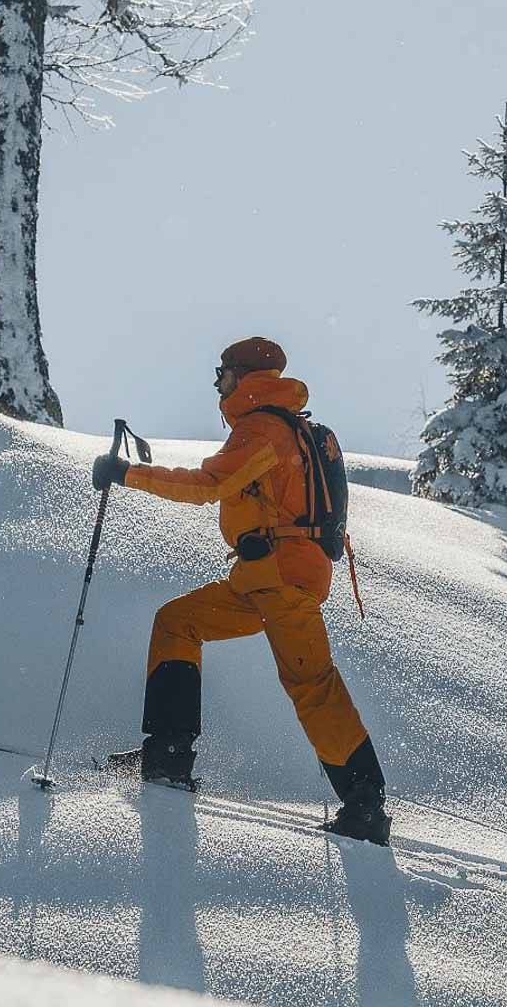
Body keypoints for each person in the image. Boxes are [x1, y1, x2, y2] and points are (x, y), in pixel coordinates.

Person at [93, 337, 391, 845]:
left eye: (222, 372)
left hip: (281, 577)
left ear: (245, 376)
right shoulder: (283, 427)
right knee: (178, 621)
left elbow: (208, 485)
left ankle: (365, 805)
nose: (217, 383)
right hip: (262, 580)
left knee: (312, 684)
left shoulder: (264, 428)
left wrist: (127, 474)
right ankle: (167, 756)